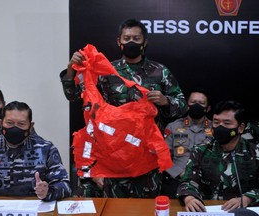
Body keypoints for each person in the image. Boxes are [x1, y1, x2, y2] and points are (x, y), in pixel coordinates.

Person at [60, 18, 188, 198]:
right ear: (119, 42)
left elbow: (182, 107)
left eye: (136, 38)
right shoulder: (105, 70)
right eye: (127, 38)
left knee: (146, 210)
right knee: (115, 209)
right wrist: (71, 69)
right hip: (114, 158)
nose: (131, 42)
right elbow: (74, 96)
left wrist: (165, 101)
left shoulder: (160, 71)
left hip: (147, 158)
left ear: (145, 42)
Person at [0, 101, 71, 201]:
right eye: (9, 123)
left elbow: (65, 186)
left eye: (21, 124)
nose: (15, 128)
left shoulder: (46, 149)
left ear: (30, 127)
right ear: (1, 124)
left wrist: (47, 192)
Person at [177, 100, 259, 212]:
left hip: (243, 211)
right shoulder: (200, 150)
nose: (220, 127)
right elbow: (187, 182)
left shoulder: (255, 153)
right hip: (207, 210)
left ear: (240, 128)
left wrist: (248, 198)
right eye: (216, 122)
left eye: (227, 123)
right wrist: (189, 198)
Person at [161, 87, 212, 198]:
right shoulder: (173, 127)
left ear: (207, 108)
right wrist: (179, 172)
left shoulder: (215, 128)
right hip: (177, 179)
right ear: (187, 104)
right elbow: (162, 156)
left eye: (201, 103)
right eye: (193, 102)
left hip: (206, 182)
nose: (197, 105)